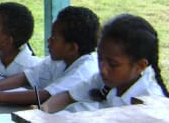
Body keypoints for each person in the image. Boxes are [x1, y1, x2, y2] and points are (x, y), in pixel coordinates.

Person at [0, 6, 100, 106]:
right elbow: (27, 76)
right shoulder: (58, 61)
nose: (48, 41)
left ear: (72, 48)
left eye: (54, 38)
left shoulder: (83, 71)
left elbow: (45, 95)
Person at [40, 14, 169, 113]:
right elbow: (68, 96)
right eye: (100, 58)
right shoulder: (105, 78)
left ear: (140, 66)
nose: (103, 69)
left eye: (113, 64)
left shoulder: (150, 103)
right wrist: (44, 110)